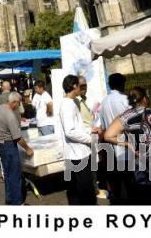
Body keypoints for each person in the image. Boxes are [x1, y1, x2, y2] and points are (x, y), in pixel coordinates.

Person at [104, 86, 151, 205]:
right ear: (144, 98)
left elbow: (108, 135)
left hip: (139, 160)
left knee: (144, 196)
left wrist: (128, 144)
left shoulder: (124, 117)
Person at [59, 74, 100, 205]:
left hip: (80, 151)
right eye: (79, 86)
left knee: (83, 187)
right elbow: (70, 131)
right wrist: (89, 139)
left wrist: (90, 130)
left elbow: (77, 126)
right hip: (77, 153)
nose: (81, 89)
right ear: (74, 86)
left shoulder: (71, 102)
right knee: (85, 188)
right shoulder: (67, 105)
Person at [0, 92, 34, 205]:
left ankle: (9, 198)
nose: (18, 106)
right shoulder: (9, 115)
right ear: (14, 102)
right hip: (8, 144)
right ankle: (18, 202)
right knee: (15, 174)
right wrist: (28, 149)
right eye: (18, 103)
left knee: (7, 172)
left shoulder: (0, 107)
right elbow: (17, 138)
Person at [99, 73, 129, 204]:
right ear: (122, 84)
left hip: (110, 143)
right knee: (128, 176)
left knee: (115, 175)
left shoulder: (104, 101)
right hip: (125, 142)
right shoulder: (125, 99)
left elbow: (104, 125)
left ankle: (118, 199)